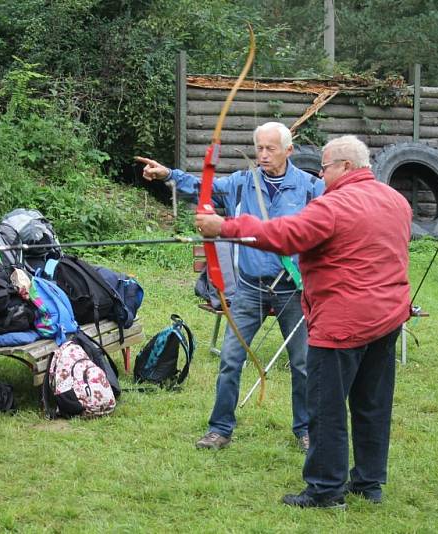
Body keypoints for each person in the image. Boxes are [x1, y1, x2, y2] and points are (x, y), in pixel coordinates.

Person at [195, 135, 412, 509]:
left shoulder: (334, 204)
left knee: (326, 409)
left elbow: (285, 235)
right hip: (387, 317)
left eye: (324, 167)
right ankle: (369, 484)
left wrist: (224, 228)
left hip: (341, 323)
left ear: (344, 166)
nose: (320, 174)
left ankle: (326, 490)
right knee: (371, 404)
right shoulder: (396, 200)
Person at [136, 121, 324, 452]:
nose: (263, 155)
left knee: (304, 364)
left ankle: (306, 429)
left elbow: (335, 218)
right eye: (259, 148)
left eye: (271, 149)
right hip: (250, 289)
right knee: (230, 360)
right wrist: (167, 175)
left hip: (292, 289)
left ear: (289, 150)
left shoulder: (310, 187)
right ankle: (220, 428)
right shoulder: (241, 183)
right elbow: (201, 189)